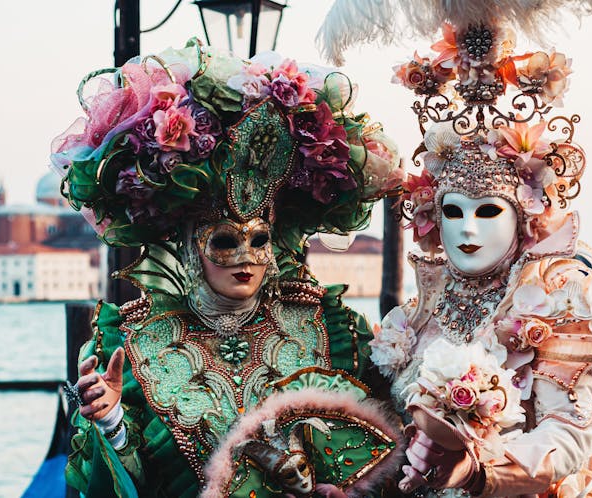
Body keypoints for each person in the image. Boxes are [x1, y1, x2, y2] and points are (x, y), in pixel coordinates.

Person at [50, 39, 405, 497]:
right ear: (188, 244)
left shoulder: (330, 327)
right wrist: (113, 421)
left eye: (258, 240)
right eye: (223, 241)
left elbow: (386, 458)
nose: (245, 257)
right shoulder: (133, 344)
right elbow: (121, 485)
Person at [354, 14, 592, 498]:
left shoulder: (559, 299)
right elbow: (389, 437)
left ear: (524, 219)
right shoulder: (412, 318)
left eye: (489, 211)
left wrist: (477, 473)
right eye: (453, 210)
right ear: (433, 214)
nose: (467, 228)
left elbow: (566, 440)